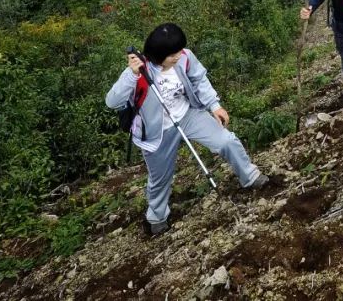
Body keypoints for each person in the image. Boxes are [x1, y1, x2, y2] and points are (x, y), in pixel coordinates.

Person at [105, 23, 269, 236]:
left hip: (188, 115)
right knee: (160, 179)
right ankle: (157, 217)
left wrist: (214, 106)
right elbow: (112, 101)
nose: (178, 56)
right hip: (157, 132)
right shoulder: (140, 72)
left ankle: (250, 176)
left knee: (226, 141)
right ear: (158, 54)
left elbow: (199, 79)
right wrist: (131, 74)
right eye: (172, 54)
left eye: (179, 50)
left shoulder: (185, 57)